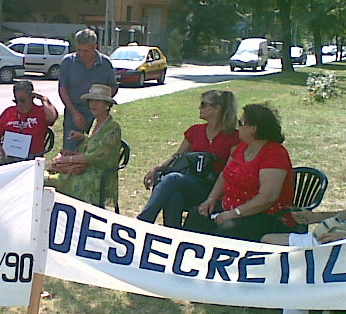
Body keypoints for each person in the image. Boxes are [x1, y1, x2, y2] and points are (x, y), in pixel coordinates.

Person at [183, 103, 295, 242]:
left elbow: (267, 197)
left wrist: (234, 213)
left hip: (265, 215)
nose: (237, 127)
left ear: (253, 128)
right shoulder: (242, 147)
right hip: (230, 206)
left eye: (241, 123)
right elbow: (225, 174)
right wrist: (211, 199)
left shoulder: (275, 154)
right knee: (197, 215)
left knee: (226, 231)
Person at [137, 90, 239, 228]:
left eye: (204, 104)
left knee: (173, 179)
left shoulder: (233, 137)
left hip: (213, 188)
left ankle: (143, 221)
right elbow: (177, 156)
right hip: (192, 181)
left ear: (217, 108)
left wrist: (212, 198)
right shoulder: (195, 131)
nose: (199, 108)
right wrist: (158, 168)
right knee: (174, 197)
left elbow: (227, 172)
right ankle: (172, 233)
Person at [259, 209, 344, 314]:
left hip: (338, 244)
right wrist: (316, 217)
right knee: (268, 242)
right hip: (325, 236)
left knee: (299, 261)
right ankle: (301, 306)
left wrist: (343, 238)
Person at [48, 84, 121, 206]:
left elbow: (94, 155)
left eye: (98, 101)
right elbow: (96, 144)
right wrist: (83, 137)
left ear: (107, 105)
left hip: (98, 176)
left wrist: (66, 159)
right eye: (91, 101)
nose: (93, 104)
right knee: (50, 173)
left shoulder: (112, 127)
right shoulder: (97, 122)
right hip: (86, 168)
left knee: (48, 179)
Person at [58, 28, 117, 151]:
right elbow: (63, 90)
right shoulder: (68, 62)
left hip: (98, 113)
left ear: (95, 47)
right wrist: (74, 113)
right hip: (74, 111)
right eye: (79, 50)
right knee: (70, 150)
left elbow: (113, 87)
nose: (81, 54)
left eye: (86, 51)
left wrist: (101, 105)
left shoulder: (105, 63)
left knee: (95, 150)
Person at [0, 80, 58, 168]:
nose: (19, 104)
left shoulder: (41, 112)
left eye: (22, 100)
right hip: (8, 155)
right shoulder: (9, 112)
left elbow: (52, 117)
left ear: (32, 97)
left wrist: (44, 99)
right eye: (16, 101)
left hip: (31, 157)